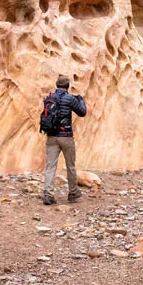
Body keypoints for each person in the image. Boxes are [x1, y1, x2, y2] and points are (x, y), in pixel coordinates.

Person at [39, 74, 88, 205]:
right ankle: (73, 192)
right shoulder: (69, 98)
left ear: (57, 85)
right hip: (66, 136)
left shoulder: (50, 98)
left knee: (50, 166)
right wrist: (80, 100)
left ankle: (48, 194)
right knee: (70, 166)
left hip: (52, 137)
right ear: (68, 86)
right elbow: (82, 112)